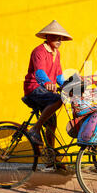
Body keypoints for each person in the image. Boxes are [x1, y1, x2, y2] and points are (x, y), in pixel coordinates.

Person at [23, 20, 72, 150]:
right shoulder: (39, 51)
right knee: (58, 99)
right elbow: (39, 72)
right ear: (47, 36)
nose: (59, 40)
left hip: (46, 90)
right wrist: (47, 83)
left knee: (51, 125)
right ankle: (35, 129)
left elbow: (58, 75)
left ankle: (51, 157)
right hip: (34, 88)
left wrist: (67, 85)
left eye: (60, 38)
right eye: (56, 37)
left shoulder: (57, 53)